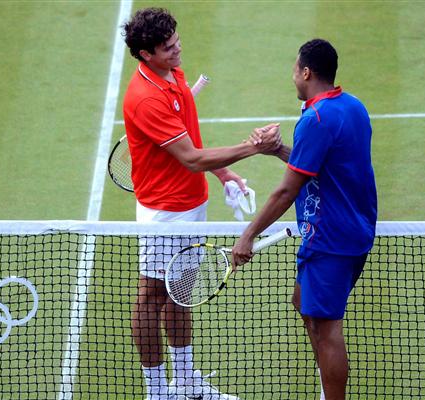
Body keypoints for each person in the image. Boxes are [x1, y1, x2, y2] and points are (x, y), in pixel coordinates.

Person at [122, 7, 282, 400]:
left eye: (176, 41)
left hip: (192, 204)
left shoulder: (173, 74)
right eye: (167, 47)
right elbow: (190, 157)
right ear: (145, 53)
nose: (177, 50)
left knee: (181, 290)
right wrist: (252, 148)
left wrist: (223, 173)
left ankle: (187, 383)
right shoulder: (145, 99)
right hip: (164, 213)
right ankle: (157, 393)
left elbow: (190, 142)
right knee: (152, 296)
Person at [231, 39, 377, 400]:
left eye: (296, 69)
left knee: (326, 331)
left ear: (307, 72)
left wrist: (248, 234)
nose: (293, 75)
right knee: (302, 303)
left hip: (330, 239)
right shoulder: (353, 107)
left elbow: (286, 192)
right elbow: (322, 168)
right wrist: (278, 149)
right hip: (352, 231)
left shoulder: (316, 119)